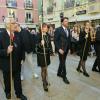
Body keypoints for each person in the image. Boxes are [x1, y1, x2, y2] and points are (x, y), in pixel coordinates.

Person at [0, 17, 27, 100]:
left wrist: (22, 58)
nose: (16, 24)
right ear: (8, 25)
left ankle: (19, 94)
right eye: (13, 23)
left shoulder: (18, 34)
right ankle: (8, 92)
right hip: (6, 64)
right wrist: (6, 51)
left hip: (17, 63)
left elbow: (22, 47)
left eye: (16, 23)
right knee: (7, 81)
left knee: (17, 80)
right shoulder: (1, 35)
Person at [54, 17, 71, 84]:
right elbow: (55, 40)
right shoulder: (58, 29)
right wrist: (58, 49)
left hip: (66, 49)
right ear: (62, 22)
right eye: (66, 21)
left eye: (67, 21)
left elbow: (68, 40)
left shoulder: (68, 30)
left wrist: (69, 48)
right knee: (63, 63)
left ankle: (58, 73)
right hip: (61, 49)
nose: (67, 22)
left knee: (62, 62)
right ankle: (64, 76)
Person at [36, 23, 52, 92]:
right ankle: (44, 82)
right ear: (42, 28)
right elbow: (36, 47)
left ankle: (45, 80)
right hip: (41, 55)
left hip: (47, 54)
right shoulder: (38, 35)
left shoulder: (48, 35)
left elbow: (50, 44)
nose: (47, 28)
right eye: (45, 27)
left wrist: (51, 51)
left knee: (46, 68)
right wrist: (40, 44)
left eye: (47, 27)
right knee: (43, 69)